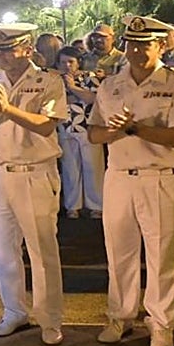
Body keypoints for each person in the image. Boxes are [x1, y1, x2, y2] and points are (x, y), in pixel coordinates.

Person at [87, 16, 174, 346]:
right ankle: (120, 315)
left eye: (145, 44)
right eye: (131, 43)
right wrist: (115, 131)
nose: (136, 50)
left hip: (160, 177)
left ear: (160, 45)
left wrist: (135, 129)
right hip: (119, 176)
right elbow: (94, 132)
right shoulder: (111, 85)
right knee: (119, 253)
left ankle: (161, 323)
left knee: (161, 256)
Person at [0, 24, 68, 346]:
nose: (3, 56)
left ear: (26, 48)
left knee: (42, 250)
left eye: (9, 49)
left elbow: (46, 126)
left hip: (34, 172)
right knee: (4, 250)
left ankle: (50, 319)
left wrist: (8, 109)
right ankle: (14, 311)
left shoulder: (47, 81)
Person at [56, 46, 104, 219]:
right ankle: (72, 205)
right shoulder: (55, 80)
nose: (67, 66)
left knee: (93, 167)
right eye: (63, 62)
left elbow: (93, 99)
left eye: (71, 62)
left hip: (88, 126)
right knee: (71, 168)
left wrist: (73, 88)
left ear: (79, 63)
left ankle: (96, 205)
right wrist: (78, 97)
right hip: (66, 126)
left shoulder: (90, 77)